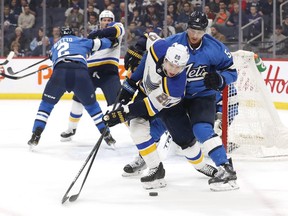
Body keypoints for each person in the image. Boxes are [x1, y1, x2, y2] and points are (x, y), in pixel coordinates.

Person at [122, 11, 240, 191]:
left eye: (199, 32)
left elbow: (232, 72)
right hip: (174, 95)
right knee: (156, 127)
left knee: (201, 129)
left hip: (202, 96)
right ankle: (146, 159)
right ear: (187, 28)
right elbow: (151, 49)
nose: (195, 35)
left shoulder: (215, 48)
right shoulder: (173, 43)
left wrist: (220, 79)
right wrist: (138, 51)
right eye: (192, 30)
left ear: (205, 31)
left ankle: (226, 168)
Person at [103, 33, 218, 189]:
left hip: (169, 106)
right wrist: (129, 86)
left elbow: (148, 106)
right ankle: (156, 169)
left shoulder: (175, 87)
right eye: (171, 64)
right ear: (166, 59)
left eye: (179, 67)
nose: (173, 70)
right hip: (145, 93)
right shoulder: (158, 47)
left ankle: (200, 165)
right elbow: (147, 37)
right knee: (137, 129)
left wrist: (122, 113)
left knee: (186, 142)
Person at [27, 27, 115, 148]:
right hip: (80, 73)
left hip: (60, 73)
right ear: (74, 34)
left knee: (46, 106)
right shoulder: (81, 40)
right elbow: (102, 43)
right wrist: (112, 40)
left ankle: (36, 134)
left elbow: (52, 56)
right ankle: (107, 135)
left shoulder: (55, 46)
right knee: (93, 107)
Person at [60, 10, 125, 146]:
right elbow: (80, 53)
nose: (106, 22)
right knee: (77, 100)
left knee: (120, 104)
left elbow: (112, 31)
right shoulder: (91, 39)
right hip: (89, 71)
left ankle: (140, 133)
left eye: (109, 20)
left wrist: (95, 34)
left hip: (108, 71)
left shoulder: (118, 28)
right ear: (100, 21)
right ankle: (71, 129)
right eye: (104, 20)